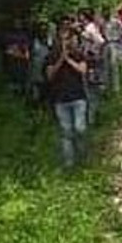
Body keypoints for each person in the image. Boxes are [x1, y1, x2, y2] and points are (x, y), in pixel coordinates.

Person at [45, 24, 90, 169]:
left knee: (80, 128)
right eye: (63, 38)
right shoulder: (51, 56)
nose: (66, 41)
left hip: (78, 97)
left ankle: (83, 156)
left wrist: (69, 60)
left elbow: (83, 70)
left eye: (68, 38)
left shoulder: (78, 54)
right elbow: (49, 75)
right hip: (60, 99)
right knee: (66, 131)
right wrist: (60, 60)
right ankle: (69, 163)